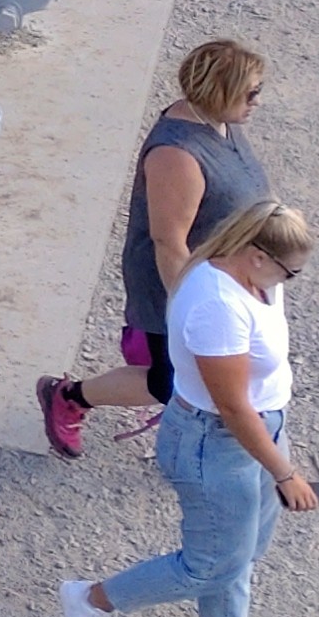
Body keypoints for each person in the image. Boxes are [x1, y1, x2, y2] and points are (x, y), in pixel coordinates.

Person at [57, 201, 319, 617]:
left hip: (258, 429)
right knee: (211, 564)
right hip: (215, 442)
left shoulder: (255, 278)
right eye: (291, 272)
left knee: (241, 549)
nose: (290, 281)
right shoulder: (218, 307)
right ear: (257, 255)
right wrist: (285, 473)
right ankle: (91, 601)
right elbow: (232, 407)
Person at [38, 37, 270, 457]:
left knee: (201, 373)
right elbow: (169, 243)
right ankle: (68, 396)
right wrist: (193, 312)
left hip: (222, 276)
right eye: (250, 93)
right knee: (169, 379)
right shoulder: (176, 155)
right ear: (219, 91)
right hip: (179, 283)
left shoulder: (220, 122)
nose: (257, 101)